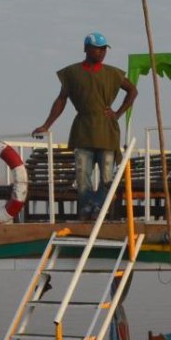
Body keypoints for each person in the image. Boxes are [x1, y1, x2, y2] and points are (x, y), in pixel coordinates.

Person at [34, 32, 137, 220]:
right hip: (83, 130)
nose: (102, 52)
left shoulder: (113, 73)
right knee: (82, 178)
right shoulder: (72, 73)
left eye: (104, 48)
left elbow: (132, 90)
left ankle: (99, 208)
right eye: (98, 48)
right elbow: (61, 99)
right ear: (87, 49)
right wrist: (46, 125)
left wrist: (118, 113)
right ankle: (87, 209)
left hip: (106, 131)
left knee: (107, 177)